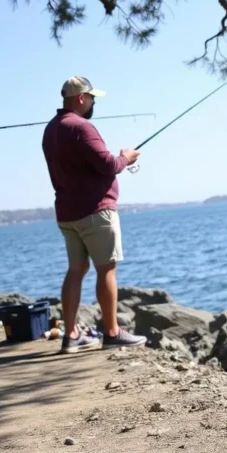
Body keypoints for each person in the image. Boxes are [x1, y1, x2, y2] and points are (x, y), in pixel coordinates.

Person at [41, 76, 146, 353]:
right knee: (106, 269)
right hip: (95, 212)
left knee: (76, 270)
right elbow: (108, 164)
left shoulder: (51, 129)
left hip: (67, 212)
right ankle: (111, 332)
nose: (93, 102)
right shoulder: (82, 127)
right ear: (80, 98)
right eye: (91, 97)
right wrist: (126, 157)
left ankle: (71, 335)